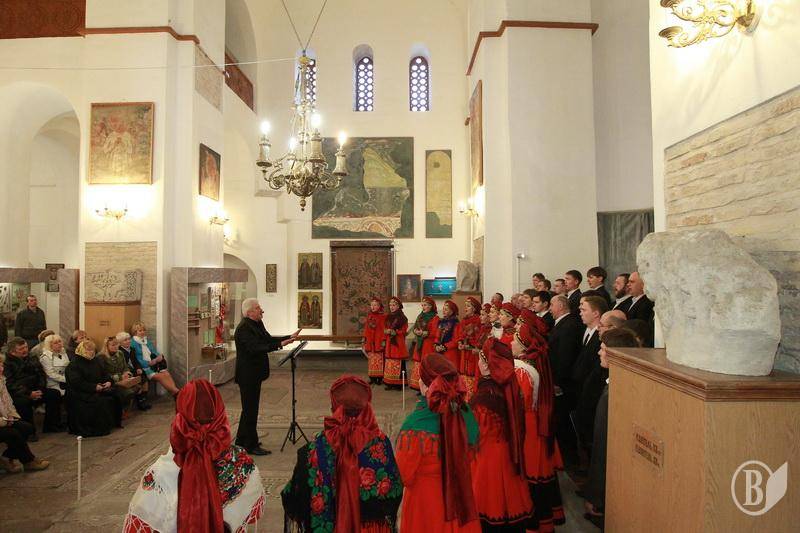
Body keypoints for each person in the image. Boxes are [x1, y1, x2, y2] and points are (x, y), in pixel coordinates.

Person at [124, 379, 265, 533]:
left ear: (180, 416)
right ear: (220, 414)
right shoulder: (243, 466)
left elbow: (138, 525)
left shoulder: (159, 474)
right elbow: (254, 515)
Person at [282, 376, 402, 531]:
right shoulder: (381, 444)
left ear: (334, 407)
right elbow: (394, 492)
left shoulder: (312, 450)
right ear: (366, 406)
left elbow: (295, 496)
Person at [396, 353, 481, 532]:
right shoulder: (466, 413)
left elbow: (404, 475)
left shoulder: (414, 425)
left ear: (424, 385)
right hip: (460, 499)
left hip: (426, 504)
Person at [471, 338, 532, 530]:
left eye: (481, 358)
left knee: (492, 507)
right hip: (509, 456)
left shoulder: (483, 397)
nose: (478, 362)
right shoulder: (509, 386)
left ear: (487, 365)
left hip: (487, 462)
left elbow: (475, 435)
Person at [584, 328, 640, 530]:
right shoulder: (628, 385)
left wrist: (595, 494)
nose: (599, 352)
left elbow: (602, 447)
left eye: (603, 348)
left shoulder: (612, 395)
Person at [511, 324, 566, 533]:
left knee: (529, 473)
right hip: (534, 423)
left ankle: (532, 524)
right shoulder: (530, 364)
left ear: (523, 345)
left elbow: (519, 403)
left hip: (528, 428)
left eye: (515, 339)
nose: (511, 342)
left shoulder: (523, 370)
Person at [234, 298, 299, 455]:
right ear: (249, 312)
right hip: (247, 375)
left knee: (249, 409)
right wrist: (279, 345)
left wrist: (288, 337)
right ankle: (251, 445)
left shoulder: (257, 324)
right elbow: (255, 348)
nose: (261, 310)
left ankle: (241, 440)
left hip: (255, 374)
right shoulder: (243, 328)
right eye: (258, 308)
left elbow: (267, 339)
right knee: (250, 410)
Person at [546, 295, 583, 467]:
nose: (550, 308)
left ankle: (570, 459)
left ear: (560, 306)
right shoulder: (563, 323)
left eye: (552, 305)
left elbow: (565, 357)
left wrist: (557, 382)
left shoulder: (569, 325)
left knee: (564, 421)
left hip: (563, 384)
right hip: (559, 381)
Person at [0, 353, 50, 473]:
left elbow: (8, 403)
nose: (1, 368)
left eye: (1, 365)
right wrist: (4, 421)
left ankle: (6, 458)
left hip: (5, 419)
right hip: (1, 422)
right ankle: (28, 461)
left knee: (27, 428)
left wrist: (11, 416)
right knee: (13, 433)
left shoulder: (1, 381)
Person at [4, 337, 63, 437]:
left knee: (54, 394)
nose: (25, 350)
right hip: (20, 393)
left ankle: (51, 426)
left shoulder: (32, 358)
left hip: (36, 390)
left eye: (26, 347)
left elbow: (41, 375)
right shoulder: (7, 364)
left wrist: (40, 389)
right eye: (21, 349)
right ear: (12, 352)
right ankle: (29, 432)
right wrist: (29, 393)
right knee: (23, 402)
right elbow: (10, 384)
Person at [573, 296, 608, 456]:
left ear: (595, 313)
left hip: (591, 394)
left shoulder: (600, 338)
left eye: (584, 309)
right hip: (580, 391)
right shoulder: (585, 332)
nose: (580, 312)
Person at [65, 340, 123, 437]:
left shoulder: (95, 361)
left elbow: (104, 374)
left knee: (115, 395)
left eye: (92, 350)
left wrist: (109, 382)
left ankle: (113, 423)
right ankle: (98, 428)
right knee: (100, 402)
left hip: (97, 388)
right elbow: (77, 383)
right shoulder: (74, 365)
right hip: (81, 394)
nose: (91, 352)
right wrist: (94, 387)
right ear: (81, 350)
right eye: (88, 350)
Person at [130, 322, 180, 396]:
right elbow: (135, 359)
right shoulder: (133, 343)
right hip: (143, 368)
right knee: (161, 376)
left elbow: (153, 351)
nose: (143, 332)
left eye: (144, 330)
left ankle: (175, 394)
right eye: (140, 331)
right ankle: (178, 393)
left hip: (153, 365)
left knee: (166, 374)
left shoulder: (146, 341)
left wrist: (159, 357)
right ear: (135, 332)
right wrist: (149, 363)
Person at [100, 336, 144, 411]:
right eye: (113, 345)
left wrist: (127, 373)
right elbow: (104, 374)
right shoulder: (101, 357)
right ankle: (121, 411)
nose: (116, 346)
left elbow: (125, 367)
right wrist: (120, 377)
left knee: (138, 386)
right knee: (128, 392)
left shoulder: (120, 353)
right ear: (107, 346)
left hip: (124, 379)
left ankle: (126, 409)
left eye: (117, 344)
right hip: (111, 381)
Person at [116, 331, 151, 410]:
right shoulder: (120, 351)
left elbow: (135, 361)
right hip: (127, 371)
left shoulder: (132, 349)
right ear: (120, 343)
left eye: (129, 339)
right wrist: (134, 370)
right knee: (139, 381)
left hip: (134, 369)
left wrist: (139, 368)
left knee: (144, 376)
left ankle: (143, 400)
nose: (128, 341)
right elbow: (124, 365)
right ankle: (140, 402)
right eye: (125, 340)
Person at [455, 297, 482, 401]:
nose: (465, 308)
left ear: (474, 309)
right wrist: (460, 342)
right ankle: (464, 396)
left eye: (468, 306)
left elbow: (479, 337)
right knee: (464, 372)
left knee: (472, 373)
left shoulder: (478, 320)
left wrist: (469, 345)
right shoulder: (463, 320)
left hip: (472, 353)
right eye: (465, 306)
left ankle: (472, 398)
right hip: (464, 352)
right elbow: (460, 334)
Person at [411, 297, 439, 391]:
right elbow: (415, 327)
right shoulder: (420, 316)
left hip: (428, 344)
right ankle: (419, 387)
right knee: (419, 362)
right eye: (422, 305)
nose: (423, 307)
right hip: (420, 343)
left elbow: (435, 332)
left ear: (431, 306)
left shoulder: (435, 318)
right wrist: (416, 331)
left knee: (427, 363)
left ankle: (428, 387)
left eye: (425, 305)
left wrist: (425, 333)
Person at [382, 297, 409, 390]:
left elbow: (404, 331)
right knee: (390, 362)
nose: (391, 307)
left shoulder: (403, 318)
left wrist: (396, 332)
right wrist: (386, 331)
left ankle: (399, 384)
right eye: (390, 305)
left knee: (398, 361)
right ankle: (389, 382)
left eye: (393, 305)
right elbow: (384, 327)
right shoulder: (388, 317)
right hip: (389, 342)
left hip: (398, 342)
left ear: (398, 306)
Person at [625, 272, 655, 346]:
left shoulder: (647, 303)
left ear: (643, 284)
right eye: (628, 281)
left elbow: (640, 327)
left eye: (632, 282)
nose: (628, 284)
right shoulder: (629, 301)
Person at [363, 297, 387, 385]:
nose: (373, 307)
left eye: (375, 305)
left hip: (378, 340)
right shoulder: (369, 316)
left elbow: (384, 329)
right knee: (371, 360)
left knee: (379, 359)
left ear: (379, 306)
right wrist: (364, 338)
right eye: (372, 305)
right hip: (370, 340)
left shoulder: (383, 316)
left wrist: (383, 340)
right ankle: (372, 378)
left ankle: (379, 378)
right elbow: (366, 328)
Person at [39, 334, 69, 400]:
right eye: (55, 343)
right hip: (53, 384)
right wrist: (66, 379)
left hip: (65, 381)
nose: (59, 344)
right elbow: (51, 374)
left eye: (60, 341)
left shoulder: (63, 352)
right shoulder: (46, 357)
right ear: (50, 345)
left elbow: (68, 367)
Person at [434, 300, 460, 368]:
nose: (443, 311)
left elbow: (456, 340)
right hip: (439, 351)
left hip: (450, 352)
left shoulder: (456, 323)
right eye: (443, 309)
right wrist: (436, 345)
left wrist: (444, 346)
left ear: (452, 311)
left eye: (446, 309)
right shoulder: (441, 322)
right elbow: (437, 336)